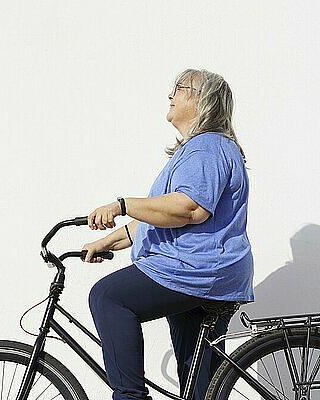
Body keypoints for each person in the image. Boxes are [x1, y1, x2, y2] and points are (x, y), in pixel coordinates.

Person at [82, 68, 254, 400]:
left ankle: (130, 397)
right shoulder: (203, 150)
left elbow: (188, 209)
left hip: (195, 270)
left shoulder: (206, 147)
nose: (171, 94)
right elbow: (159, 218)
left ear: (202, 100)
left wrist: (122, 204)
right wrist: (107, 240)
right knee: (197, 385)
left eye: (179, 88)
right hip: (208, 273)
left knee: (108, 297)